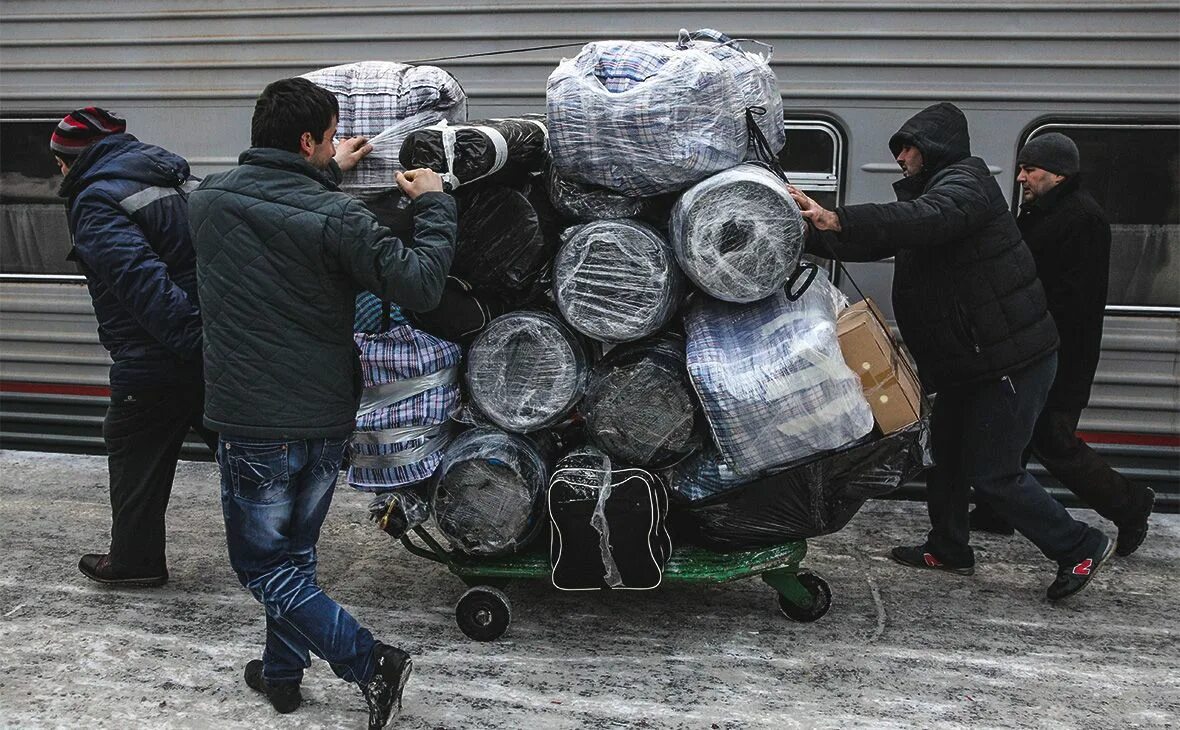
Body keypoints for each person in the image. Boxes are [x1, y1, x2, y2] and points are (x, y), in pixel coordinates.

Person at [188, 78, 457, 727]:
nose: (336, 146)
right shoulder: (338, 218)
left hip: (253, 420)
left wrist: (324, 174)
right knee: (291, 559)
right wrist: (437, 205)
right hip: (323, 417)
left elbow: (277, 226)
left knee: (262, 564)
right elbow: (420, 283)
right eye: (332, 136)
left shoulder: (207, 201)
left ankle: (370, 663)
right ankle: (281, 675)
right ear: (310, 140)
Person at [787, 102, 1114, 602]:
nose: (899, 157)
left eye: (907, 147)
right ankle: (949, 547)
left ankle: (1078, 545)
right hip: (970, 363)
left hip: (1009, 361)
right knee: (945, 457)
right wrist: (805, 232)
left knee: (995, 473)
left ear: (932, 146)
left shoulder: (966, 187)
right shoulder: (938, 198)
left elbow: (921, 220)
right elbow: (888, 237)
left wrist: (837, 218)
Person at [53, 107, 217, 588]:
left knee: (134, 451)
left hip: (159, 355)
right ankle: (279, 552)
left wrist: (195, 344)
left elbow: (143, 283)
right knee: (239, 455)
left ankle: (134, 562)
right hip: (204, 342)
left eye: (58, 161)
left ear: (71, 160)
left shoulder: (97, 198)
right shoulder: (174, 176)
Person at [969, 133, 1156, 554]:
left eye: (1029, 170)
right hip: (1038, 346)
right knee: (1015, 426)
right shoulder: (1047, 212)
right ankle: (996, 511)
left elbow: (1073, 300)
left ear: (1057, 173)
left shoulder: (1081, 219)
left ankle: (1130, 506)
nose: (1021, 178)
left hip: (1061, 352)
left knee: (1053, 438)